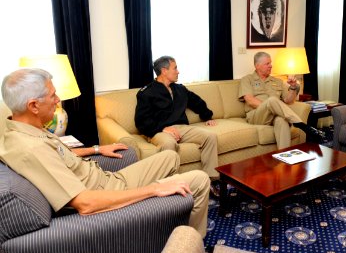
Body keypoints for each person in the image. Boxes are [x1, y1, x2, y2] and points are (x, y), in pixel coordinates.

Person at [0, 68, 210, 237]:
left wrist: (98, 149)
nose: (57, 99)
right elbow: (86, 203)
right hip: (109, 194)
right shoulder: (31, 149)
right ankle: (188, 242)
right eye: (53, 95)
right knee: (200, 179)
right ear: (34, 105)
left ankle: (163, 221)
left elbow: (60, 154)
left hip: (109, 179)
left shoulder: (24, 130)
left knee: (170, 156)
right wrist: (154, 191)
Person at [134, 56, 220, 195]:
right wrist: (162, 128)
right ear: (164, 70)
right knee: (169, 144)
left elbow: (196, 102)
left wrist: (207, 116)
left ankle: (210, 181)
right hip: (158, 131)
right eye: (175, 68)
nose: (178, 71)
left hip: (182, 128)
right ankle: (171, 187)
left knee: (210, 137)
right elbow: (141, 121)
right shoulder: (147, 92)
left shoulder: (180, 89)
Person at [238, 52, 327, 149]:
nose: (271, 66)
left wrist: (293, 87)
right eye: (267, 64)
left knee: (282, 121)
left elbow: (288, 100)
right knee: (272, 100)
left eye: (270, 63)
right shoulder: (247, 79)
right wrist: (270, 105)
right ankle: (302, 125)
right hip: (257, 116)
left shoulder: (277, 81)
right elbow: (250, 100)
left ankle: (284, 156)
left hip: (275, 115)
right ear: (257, 66)